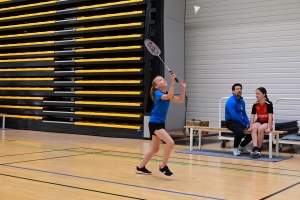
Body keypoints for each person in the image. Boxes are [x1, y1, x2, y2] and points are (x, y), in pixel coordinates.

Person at [135, 73, 186, 176]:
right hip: (155, 123)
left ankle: (140, 167)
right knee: (170, 143)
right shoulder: (158, 93)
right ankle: (163, 166)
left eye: (163, 79)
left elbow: (180, 100)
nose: (163, 80)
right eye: (160, 80)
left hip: (160, 123)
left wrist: (183, 88)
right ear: (156, 86)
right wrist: (172, 82)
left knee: (155, 149)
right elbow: (169, 96)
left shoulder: (166, 94)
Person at [225, 83, 251, 156]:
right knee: (240, 132)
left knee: (253, 130)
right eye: (237, 89)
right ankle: (235, 148)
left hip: (239, 121)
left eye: (240, 89)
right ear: (233, 91)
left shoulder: (242, 101)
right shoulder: (231, 101)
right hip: (231, 122)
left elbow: (244, 114)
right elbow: (234, 116)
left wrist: (248, 124)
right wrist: (243, 124)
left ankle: (242, 146)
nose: (239, 90)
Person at [248, 87, 273, 158]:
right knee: (254, 127)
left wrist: (268, 127)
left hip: (267, 122)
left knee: (261, 129)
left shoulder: (268, 104)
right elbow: (252, 116)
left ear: (264, 94)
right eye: (256, 94)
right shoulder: (255, 104)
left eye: (258, 94)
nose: (256, 95)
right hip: (259, 121)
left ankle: (259, 149)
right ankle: (255, 147)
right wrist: (250, 126)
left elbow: (270, 117)